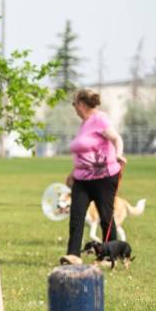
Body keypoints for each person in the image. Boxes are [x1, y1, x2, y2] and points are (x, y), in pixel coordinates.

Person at [60, 88, 126, 265]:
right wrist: (73, 173)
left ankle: (109, 256)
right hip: (82, 179)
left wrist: (118, 154)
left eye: (74, 104)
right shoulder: (84, 124)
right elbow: (84, 154)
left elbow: (116, 139)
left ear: (81, 104)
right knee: (76, 216)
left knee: (105, 217)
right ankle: (73, 255)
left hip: (103, 177)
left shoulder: (100, 119)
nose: (74, 108)